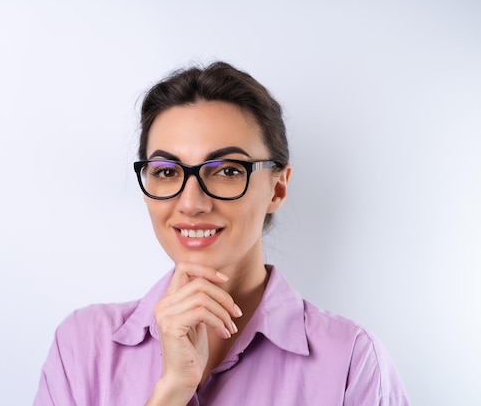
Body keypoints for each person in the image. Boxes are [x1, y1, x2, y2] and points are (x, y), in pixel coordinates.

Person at [32, 61, 410, 405]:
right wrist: (171, 390)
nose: (191, 202)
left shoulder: (352, 361)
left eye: (228, 170)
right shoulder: (82, 347)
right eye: (166, 172)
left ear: (277, 189)